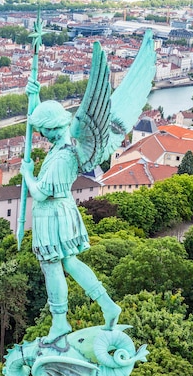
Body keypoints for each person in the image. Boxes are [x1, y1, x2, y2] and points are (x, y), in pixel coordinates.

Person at [20, 81, 121, 343]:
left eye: (43, 131)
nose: (41, 136)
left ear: (53, 129)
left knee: (52, 267)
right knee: (70, 262)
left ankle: (60, 322)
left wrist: (28, 175)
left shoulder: (63, 157)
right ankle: (108, 306)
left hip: (52, 214)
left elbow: (40, 193)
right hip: (60, 212)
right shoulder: (62, 148)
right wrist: (36, 97)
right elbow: (39, 120)